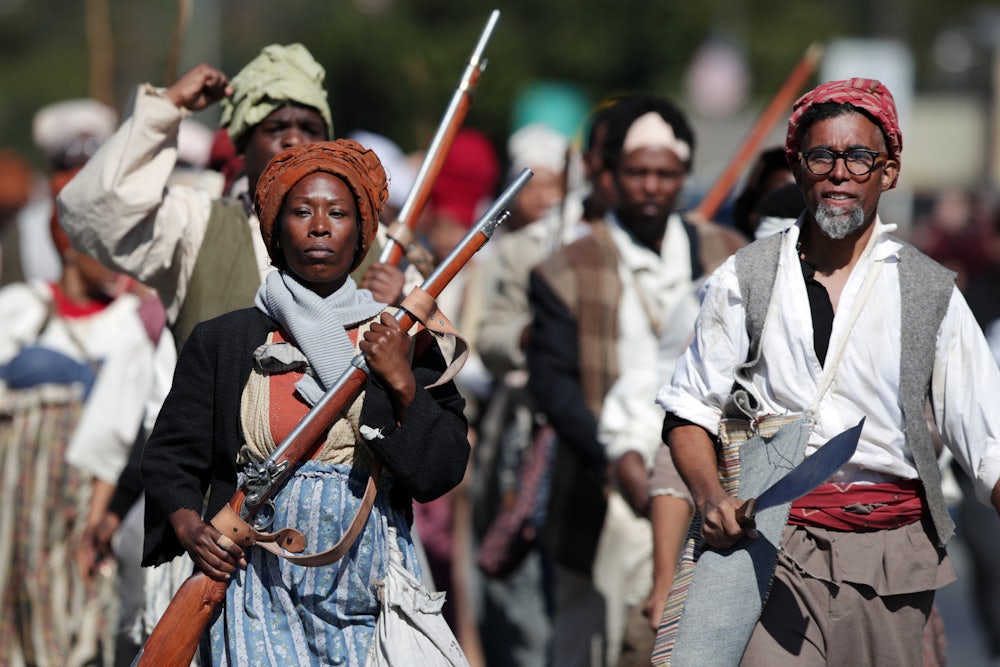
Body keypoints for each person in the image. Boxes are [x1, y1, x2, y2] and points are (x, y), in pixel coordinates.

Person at [654, 78, 1000, 666]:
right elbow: (689, 408)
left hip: (893, 560)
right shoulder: (746, 278)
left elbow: (988, 443)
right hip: (771, 548)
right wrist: (710, 496)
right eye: (822, 156)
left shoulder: (930, 292)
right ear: (798, 167)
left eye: (860, 157)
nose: (840, 173)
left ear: (889, 172)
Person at [140, 139, 471, 664]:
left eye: (337, 213)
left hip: (369, 588)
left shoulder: (401, 340)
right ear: (276, 231)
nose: (319, 227)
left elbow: (441, 470)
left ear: (361, 233)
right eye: (301, 212)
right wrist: (190, 528)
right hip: (252, 587)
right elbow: (170, 458)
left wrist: (401, 381)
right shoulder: (224, 340)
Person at [526, 94, 745, 667]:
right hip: (601, 487)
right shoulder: (565, 267)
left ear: (683, 177)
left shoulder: (728, 253)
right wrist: (616, 460)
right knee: (593, 646)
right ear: (612, 176)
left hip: (710, 482)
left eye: (664, 174)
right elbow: (554, 386)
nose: (651, 186)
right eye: (637, 173)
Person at [58, 43, 408, 350]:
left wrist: (400, 308)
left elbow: (425, 366)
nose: (293, 139)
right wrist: (167, 108)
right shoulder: (196, 225)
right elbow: (91, 213)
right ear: (242, 144)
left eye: (309, 128)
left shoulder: (372, 238)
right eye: (275, 128)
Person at [0, 168, 167, 666]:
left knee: (75, 613)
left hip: (86, 498)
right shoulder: (20, 307)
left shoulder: (133, 323)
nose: (119, 259)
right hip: (16, 498)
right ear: (70, 243)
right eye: (106, 245)